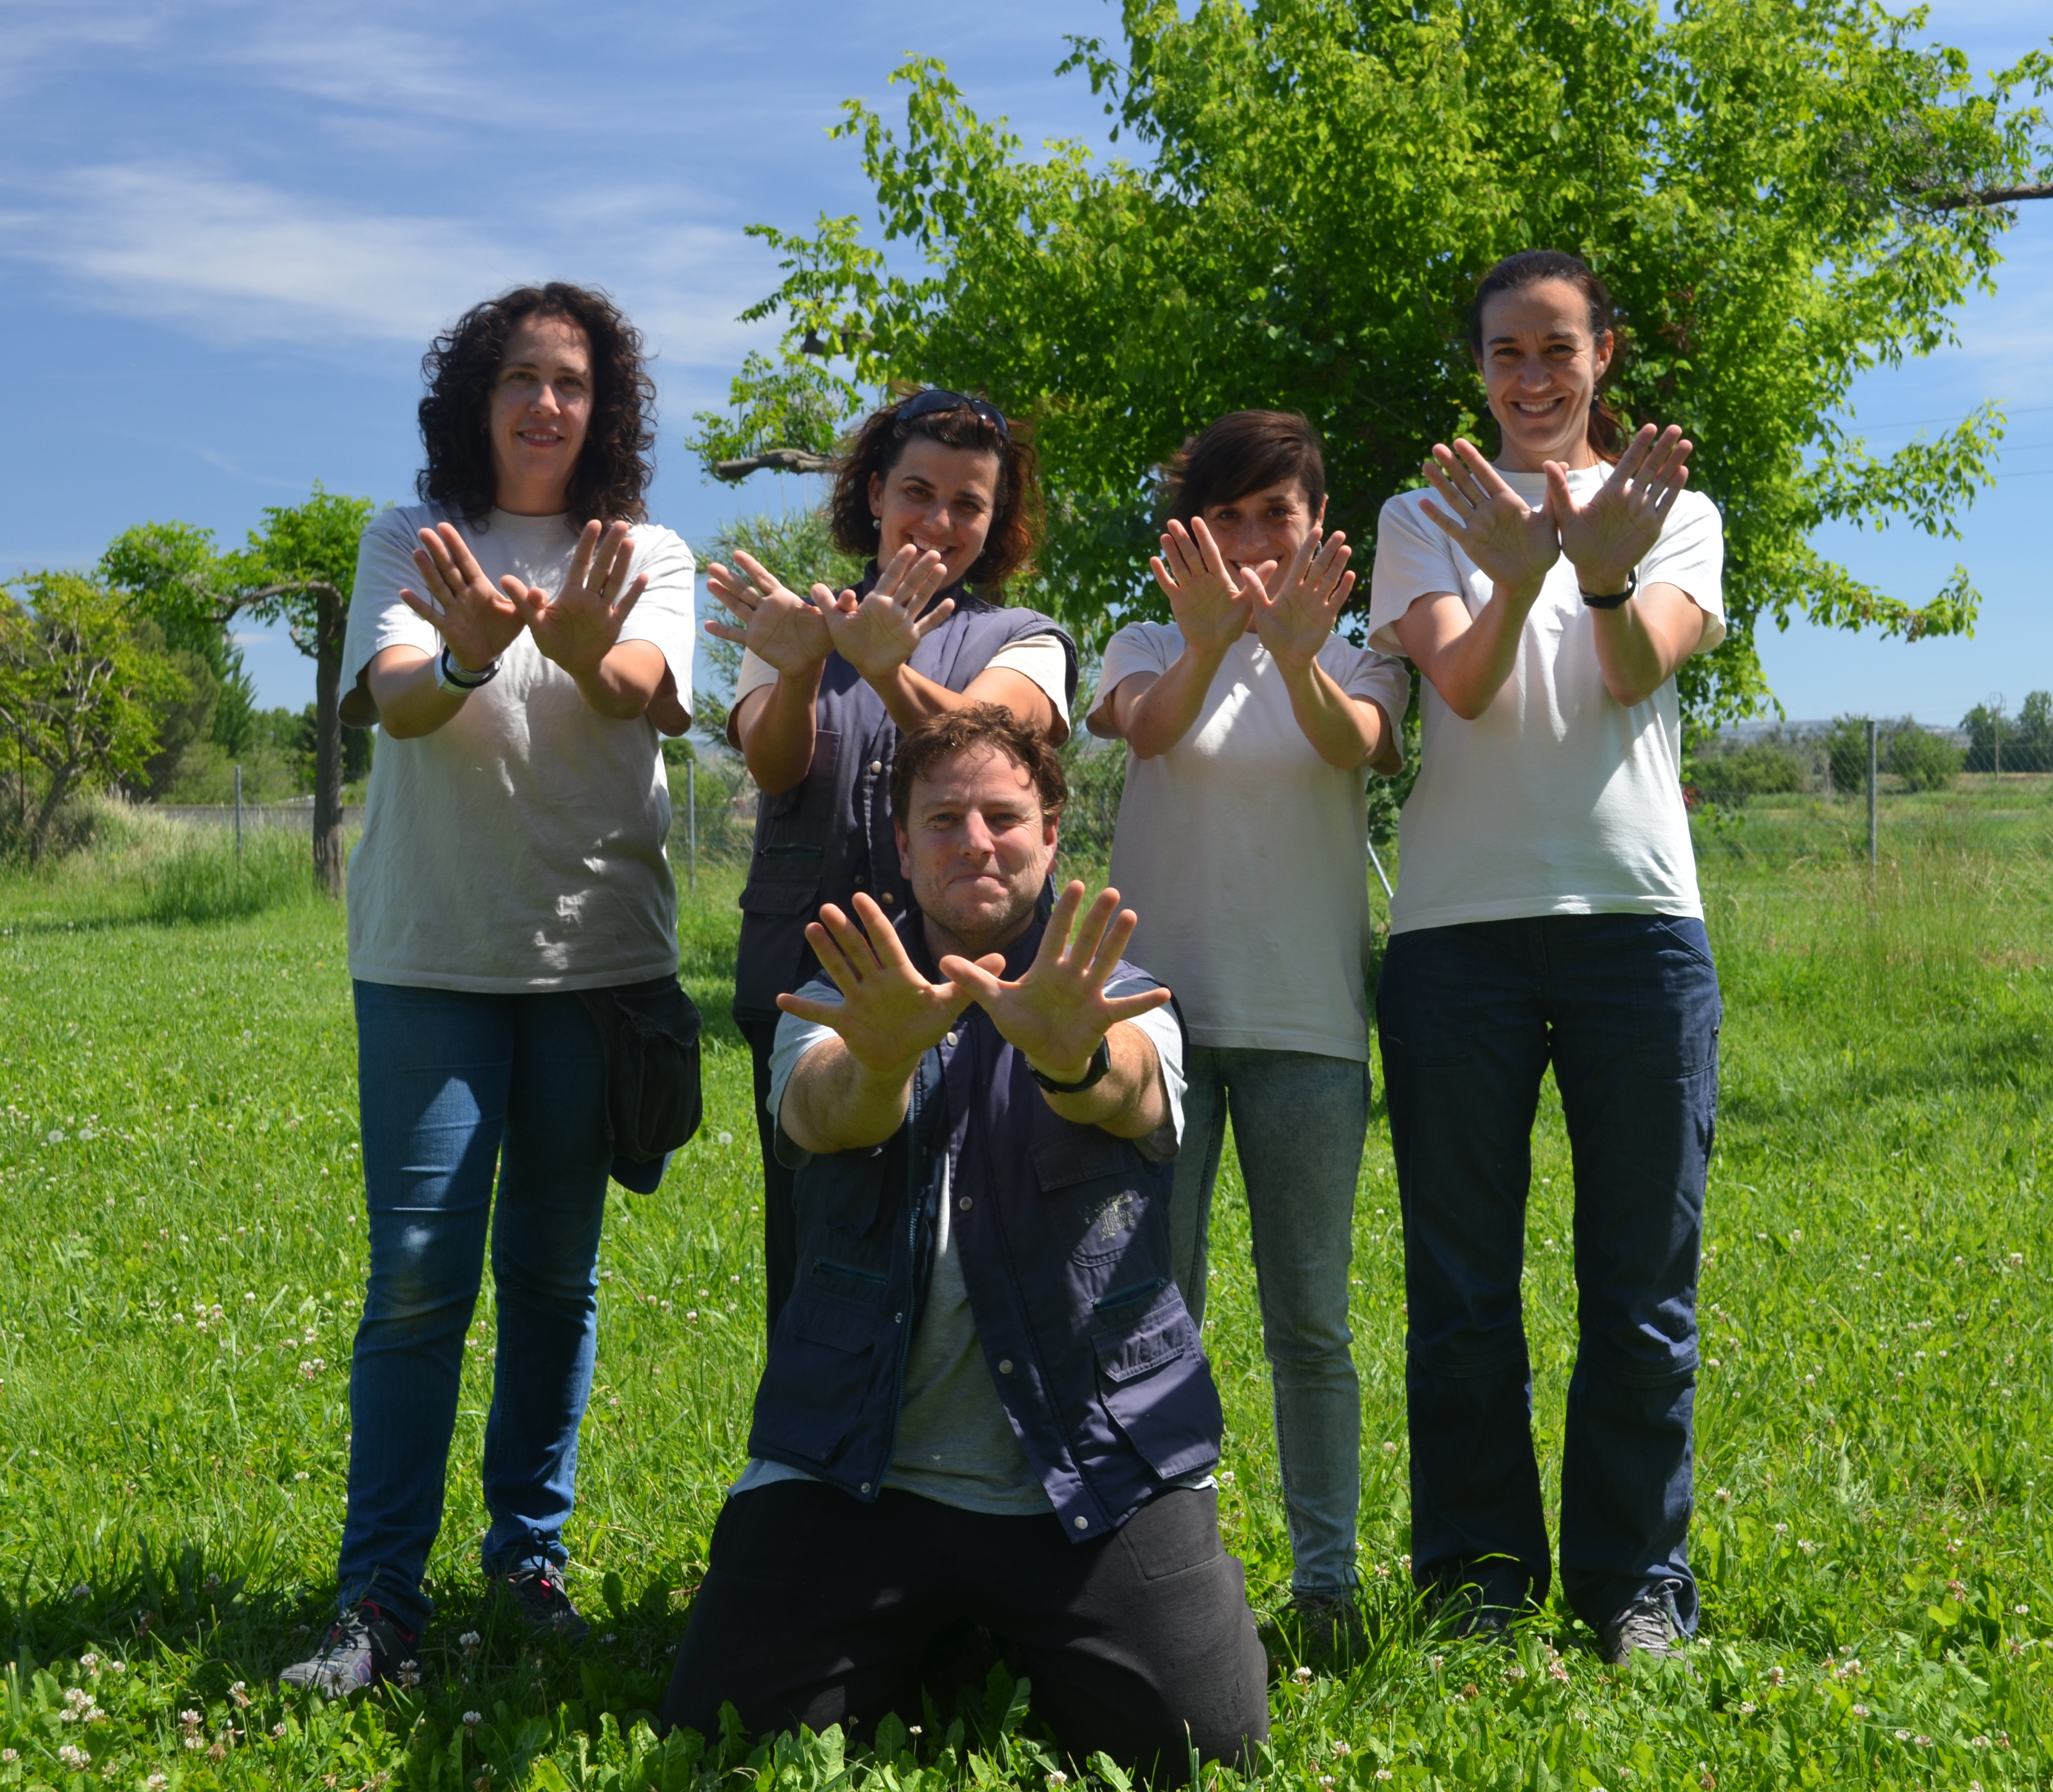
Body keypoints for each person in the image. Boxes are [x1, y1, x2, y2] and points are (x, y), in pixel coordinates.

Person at [661, 707, 1269, 1782]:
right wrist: (880, 1061)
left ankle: (973, 1630)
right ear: (901, 844)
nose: (975, 841)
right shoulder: (841, 989)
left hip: (1091, 1464)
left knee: (1203, 1745)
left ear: (1050, 832)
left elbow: (1128, 1096)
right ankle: (941, 1627)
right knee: (722, 1738)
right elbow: (820, 1118)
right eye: (943, 820)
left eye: (1003, 815)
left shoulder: (1119, 994)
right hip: (857, 1467)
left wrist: (1073, 1059)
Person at [282, 282, 700, 1694]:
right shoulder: (410, 539)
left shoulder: (649, 549)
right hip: (429, 955)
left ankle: (527, 1565)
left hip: (596, 962)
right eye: (518, 377)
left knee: (551, 1277)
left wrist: (573, 635)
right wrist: (469, 645)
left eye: (573, 382)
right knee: (414, 1279)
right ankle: (378, 1601)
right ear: (475, 398)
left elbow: (646, 683)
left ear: (606, 408)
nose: (545, 403)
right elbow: (400, 699)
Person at [1366, 249, 1724, 1660]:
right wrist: (1517, 574)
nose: (1531, 378)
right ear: (1478, 368)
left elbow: (1637, 668)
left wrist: (1594, 573)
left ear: (1604, 359)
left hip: (1637, 929)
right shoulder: (1423, 514)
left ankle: (1636, 1586)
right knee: (1462, 1292)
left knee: (1642, 1284)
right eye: (1506, 352)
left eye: (1557, 350)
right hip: (1456, 938)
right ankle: (1478, 1579)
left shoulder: (1671, 510)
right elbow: (1456, 679)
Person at [1085, 410, 1407, 1658]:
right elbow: (1148, 729)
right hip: (1152, 1032)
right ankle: (1174, 1576)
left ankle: (1326, 1586)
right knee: (1159, 1309)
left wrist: (1293, 656)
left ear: (1318, 525)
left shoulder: (1359, 652)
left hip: (1308, 1028)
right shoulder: (1146, 640)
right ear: (1191, 533)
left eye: (1278, 513)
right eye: (1228, 516)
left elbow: (1356, 746)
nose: (1255, 538)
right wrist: (1214, 645)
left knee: (1310, 1321)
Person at [708, 389, 1078, 1329]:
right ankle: (806, 1451)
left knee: (974, 1230)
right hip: (807, 973)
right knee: (814, 1240)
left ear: (995, 524)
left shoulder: (1027, 638)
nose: (941, 521)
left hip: (974, 974)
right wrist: (799, 667)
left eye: (970, 504)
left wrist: (883, 667)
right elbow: (772, 760)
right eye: (919, 491)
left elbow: (989, 742)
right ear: (874, 494)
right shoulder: (792, 626)